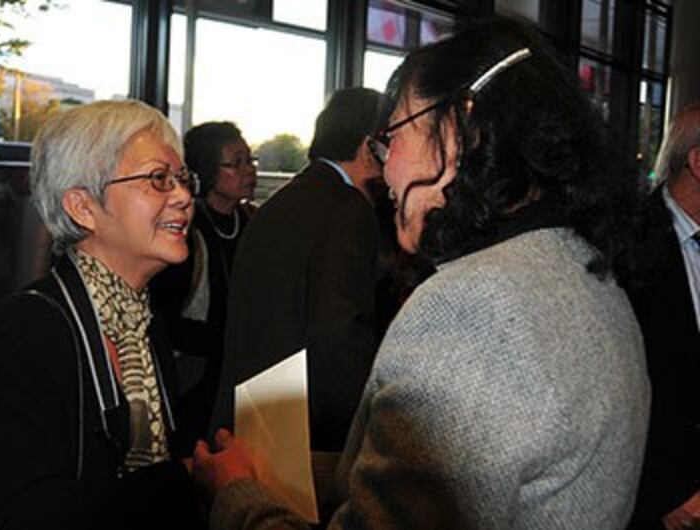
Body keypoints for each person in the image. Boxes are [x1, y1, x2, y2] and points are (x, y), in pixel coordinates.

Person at [193, 17, 650, 530]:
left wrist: (237, 492)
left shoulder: (470, 309)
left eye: (394, 136)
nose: (385, 166)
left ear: (456, 130)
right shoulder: (584, 266)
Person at [0, 100, 204, 529]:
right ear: (83, 207)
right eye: (159, 179)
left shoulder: (143, 324)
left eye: (182, 178)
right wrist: (185, 480)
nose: (183, 196)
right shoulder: (16, 337)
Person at [208, 87, 392, 456]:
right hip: (307, 428)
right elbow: (340, 332)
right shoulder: (348, 209)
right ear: (368, 146)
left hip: (255, 407)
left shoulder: (285, 200)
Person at [150, 121, 257, 443]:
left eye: (250, 159)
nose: (248, 170)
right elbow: (166, 320)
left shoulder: (253, 221)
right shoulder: (185, 231)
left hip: (243, 373)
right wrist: (226, 338)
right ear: (208, 170)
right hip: (196, 380)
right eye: (235, 162)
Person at [627, 102, 700, 530]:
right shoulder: (628, 245)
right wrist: (668, 496)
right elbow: (618, 386)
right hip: (662, 508)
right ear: (697, 161)